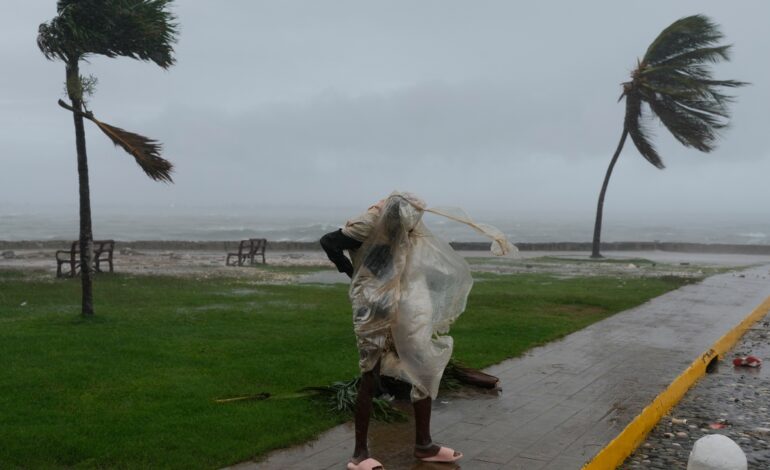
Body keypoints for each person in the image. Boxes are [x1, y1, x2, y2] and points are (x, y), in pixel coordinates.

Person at [321, 192, 511, 470]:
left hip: (404, 298)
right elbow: (329, 242)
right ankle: (360, 454)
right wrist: (353, 274)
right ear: (394, 215)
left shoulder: (412, 222)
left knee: (422, 367)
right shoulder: (367, 223)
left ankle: (424, 444)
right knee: (370, 373)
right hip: (373, 303)